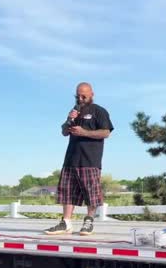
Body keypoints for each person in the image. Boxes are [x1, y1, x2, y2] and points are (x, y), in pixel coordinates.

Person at [44, 82, 114, 236]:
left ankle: (88, 221)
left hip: (90, 160)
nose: (80, 99)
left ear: (92, 94)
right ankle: (66, 223)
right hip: (71, 159)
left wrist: (84, 132)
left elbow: (106, 133)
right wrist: (69, 120)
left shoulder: (99, 111)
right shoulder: (74, 111)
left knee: (91, 193)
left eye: (84, 96)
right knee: (67, 192)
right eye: (78, 96)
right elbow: (64, 132)